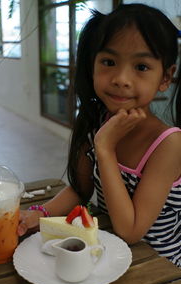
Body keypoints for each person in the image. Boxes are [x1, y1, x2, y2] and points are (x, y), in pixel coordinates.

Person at [18, 3, 181, 267]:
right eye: (109, 62)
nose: (121, 78)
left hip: (158, 266)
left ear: (166, 77)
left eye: (141, 67)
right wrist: (40, 214)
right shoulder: (96, 120)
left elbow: (131, 231)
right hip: (106, 251)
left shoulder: (169, 143)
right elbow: (81, 189)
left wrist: (105, 149)